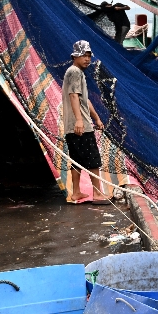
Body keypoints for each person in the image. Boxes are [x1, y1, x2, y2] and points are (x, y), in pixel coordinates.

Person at [62, 40, 109, 204]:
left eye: (89, 55)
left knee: (76, 160)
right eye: (84, 55)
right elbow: (73, 96)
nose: (87, 59)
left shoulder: (75, 72)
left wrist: (96, 118)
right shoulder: (75, 72)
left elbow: (85, 100)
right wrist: (80, 121)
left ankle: (76, 192)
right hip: (80, 126)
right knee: (93, 159)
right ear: (74, 56)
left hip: (73, 126)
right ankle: (97, 193)